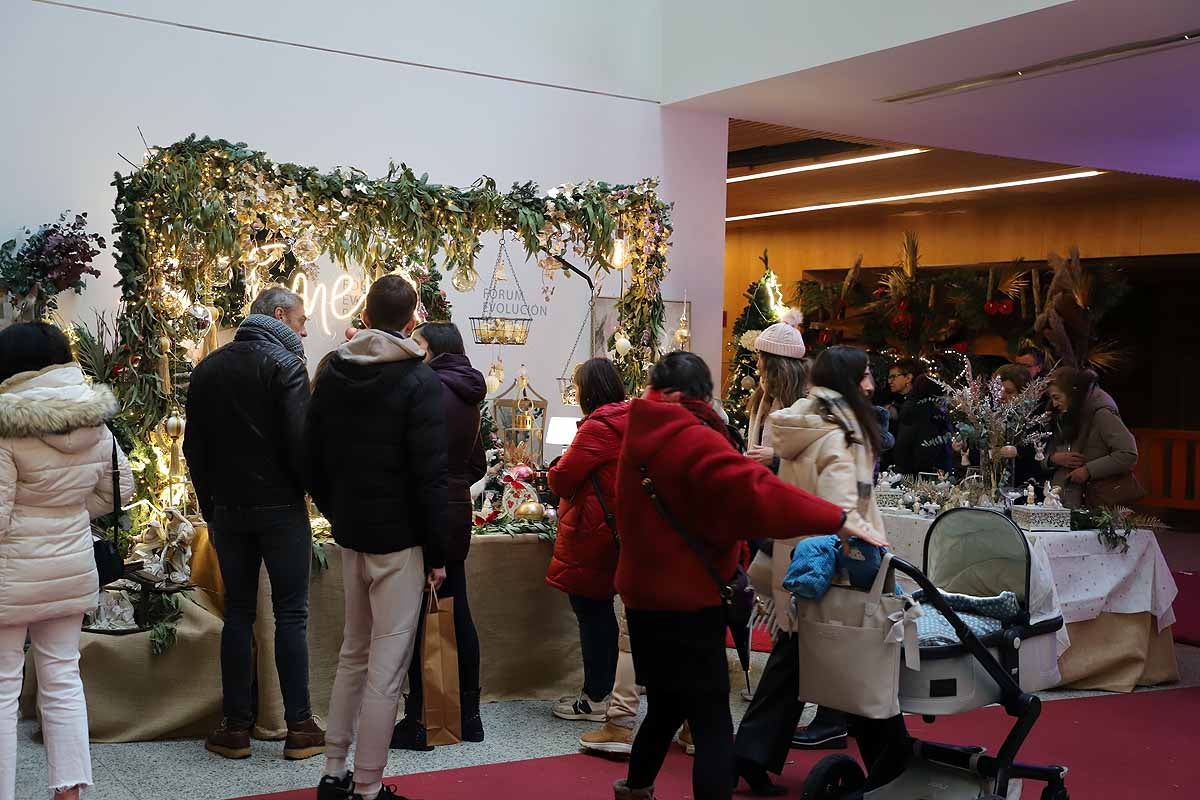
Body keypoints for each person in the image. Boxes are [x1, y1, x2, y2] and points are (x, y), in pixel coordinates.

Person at [612, 352, 885, 800]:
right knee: (711, 720)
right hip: (690, 598)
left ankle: (636, 789)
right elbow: (755, 492)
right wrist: (837, 518)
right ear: (698, 396)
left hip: (643, 598)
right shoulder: (692, 437)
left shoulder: (642, 429)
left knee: (664, 704)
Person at [734, 345, 903, 794]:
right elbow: (840, 510)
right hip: (833, 567)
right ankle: (894, 765)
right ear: (848, 380)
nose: (871, 385)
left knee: (794, 660)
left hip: (799, 558)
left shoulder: (803, 423)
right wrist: (867, 547)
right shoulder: (840, 434)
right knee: (859, 661)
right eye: (865, 376)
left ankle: (749, 754)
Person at [308, 275, 449, 800]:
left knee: (354, 653)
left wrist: (339, 512)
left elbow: (311, 456)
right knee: (386, 669)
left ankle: (333, 770)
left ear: (365, 315)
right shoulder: (419, 381)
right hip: (401, 539)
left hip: (354, 533)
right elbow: (431, 476)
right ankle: (367, 785)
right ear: (412, 320)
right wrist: (437, 553)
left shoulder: (335, 372)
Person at [184, 286, 324, 760]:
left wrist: (211, 506)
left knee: (238, 615)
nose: (304, 330)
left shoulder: (208, 368)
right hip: (282, 510)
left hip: (228, 512)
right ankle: (300, 726)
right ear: (280, 316)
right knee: (291, 616)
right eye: (301, 320)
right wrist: (311, 496)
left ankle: (235, 728)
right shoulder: (287, 366)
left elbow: (193, 448)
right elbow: (300, 444)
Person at [0, 322, 134, 800]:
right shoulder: (93, 419)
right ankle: (69, 793)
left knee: (2, 688)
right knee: (62, 678)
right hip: (70, 567)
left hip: (10, 575)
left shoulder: (6, 424)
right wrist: (68, 513)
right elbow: (118, 489)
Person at [392, 322, 488, 750]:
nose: (412, 349)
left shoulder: (427, 388)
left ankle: (422, 718)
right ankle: (469, 716)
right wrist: (454, 481)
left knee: (420, 615)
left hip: (424, 509)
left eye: (418, 343)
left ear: (433, 350)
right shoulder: (467, 391)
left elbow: (412, 457)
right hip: (455, 509)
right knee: (457, 608)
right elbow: (477, 463)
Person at [544, 359, 630, 730]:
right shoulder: (628, 419)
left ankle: (596, 696)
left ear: (589, 391)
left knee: (591, 612)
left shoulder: (598, 426)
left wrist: (555, 465)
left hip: (593, 531)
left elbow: (562, 479)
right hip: (615, 527)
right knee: (602, 611)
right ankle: (608, 690)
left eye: (577, 387)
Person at [1046, 367, 1138, 509]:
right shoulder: (1062, 414)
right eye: (1052, 398)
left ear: (1072, 394)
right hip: (1063, 498)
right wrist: (1052, 459)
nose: (1054, 404)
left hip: (1094, 501)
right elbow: (1043, 452)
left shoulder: (1102, 414)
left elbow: (1128, 453)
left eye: (1057, 398)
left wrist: (1088, 470)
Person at [744, 322, 809, 472]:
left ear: (775, 364)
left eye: (761, 357)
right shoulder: (763, 393)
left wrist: (776, 459)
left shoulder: (805, 401)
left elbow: (811, 459)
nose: (757, 364)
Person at [888, 358, 953, 475]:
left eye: (893, 376)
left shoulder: (916, 406)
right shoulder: (904, 403)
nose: (889, 381)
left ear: (908, 378)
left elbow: (905, 446)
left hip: (918, 473)